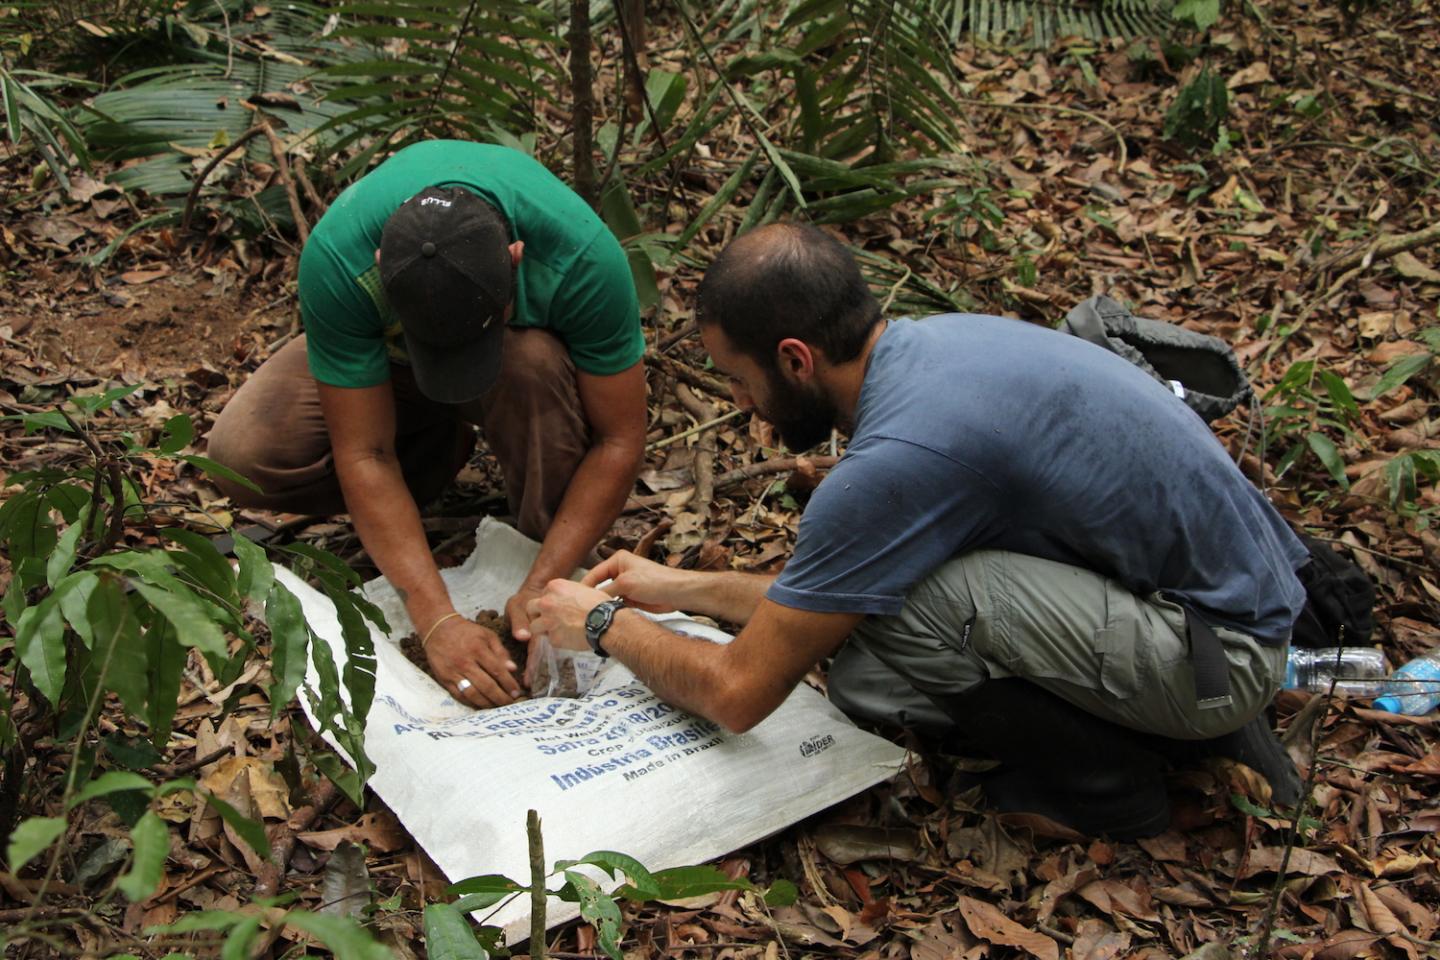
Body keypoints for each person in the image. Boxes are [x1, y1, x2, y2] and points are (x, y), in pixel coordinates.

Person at [526, 222, 1308, 839]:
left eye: (738, 377)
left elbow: (736, 694)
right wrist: (683, 588)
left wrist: (601, 623)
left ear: (795, 359)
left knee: (893, 636)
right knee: (875, 640)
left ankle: (1108, 785)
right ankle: (1176, 730)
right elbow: (830, 590)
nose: (739, 402)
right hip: (1222, 606)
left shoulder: (901, 458)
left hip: (1218, 655)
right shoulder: (937, 345)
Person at [207, 140, 646, 710]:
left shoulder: (581, 257)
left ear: (515, 259)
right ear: (384, 275)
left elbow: (619, 440)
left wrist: (542, 584)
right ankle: (436, 451)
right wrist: (435, 619)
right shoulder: (342, 257)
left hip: (521, 375)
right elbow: (363, 452)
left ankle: (543, 545)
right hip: (392, 371)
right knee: (242, 454)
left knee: (531, 363)